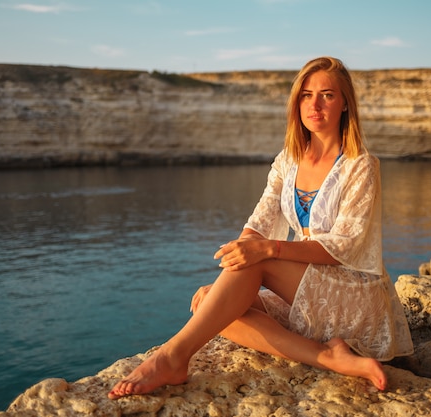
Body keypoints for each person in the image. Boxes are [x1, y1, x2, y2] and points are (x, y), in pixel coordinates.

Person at [108, 56, 414, 399]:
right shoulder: (288, 160)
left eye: (327, 95)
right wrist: (230, 278)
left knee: (257, 262)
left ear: (344, 104)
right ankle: (327, 356)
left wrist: (269, 250)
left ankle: (171, 357)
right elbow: (259, 224)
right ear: (296, 102)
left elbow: (344, 246)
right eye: (306, 95)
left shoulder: (361, 165)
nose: (314, 104)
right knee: (210, 302)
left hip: (354, 293)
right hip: (308, 284)